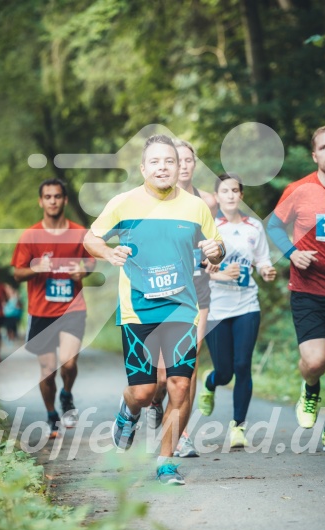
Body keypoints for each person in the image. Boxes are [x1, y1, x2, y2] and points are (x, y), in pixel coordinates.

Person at [84, 134, 224, 485]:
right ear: (143, 168)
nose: (163, 167)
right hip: (138, 310)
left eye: (170, 161)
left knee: (179, 386)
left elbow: (217, 245)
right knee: (145, 392)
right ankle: (127, 411)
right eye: (156, 162)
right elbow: (91, 237)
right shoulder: (123, 203)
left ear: (180, 168)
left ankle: (166, 463)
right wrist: (107, 252)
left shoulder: (196, 207)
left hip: (181, 308)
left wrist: (215, 251)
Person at [267, 125, 325, 453]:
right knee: (317, 361)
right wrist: (292, 253)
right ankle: (310, 386)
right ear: (315, 155)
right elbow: (274, 226)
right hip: (308, 290)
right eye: (324, 147)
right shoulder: (298, 190)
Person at [147, 139, 218, 458]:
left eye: (190, 160)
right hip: (163, 293)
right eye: (180, 159)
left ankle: (181, 434)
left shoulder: (208, 202)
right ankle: (154, 404)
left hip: (197, 292)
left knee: (189, 363)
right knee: (161, 374)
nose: (185, 165)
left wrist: (214, 256)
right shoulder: (155, 202)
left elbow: (215, 242)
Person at [12, 178, 95, 438]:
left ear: (65, 200)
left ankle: (67, 395)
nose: (52, 201)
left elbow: (90, 263)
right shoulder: (31, 235)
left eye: (57, 196)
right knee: (47, 372)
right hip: (41, 312)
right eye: (47, 197)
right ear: (41, 201)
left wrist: (82, 270)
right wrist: (36, 268)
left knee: (68, 365)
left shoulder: (79, 232)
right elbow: (17, 272)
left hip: (72, 309)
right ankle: (51, 415)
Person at [198, 173, 276, 447]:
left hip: (246, 305)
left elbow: (262, 259)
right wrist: (220, 274)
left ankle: (238, 427)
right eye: (225, 191)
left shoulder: (253, 226)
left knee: (243, 365)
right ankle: (210, 382)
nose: (230, 195)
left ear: (241, 195)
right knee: (225, 372)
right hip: (216, 308)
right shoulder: (209, 227)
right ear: (217, 196)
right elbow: (198, 269)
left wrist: (266, 270)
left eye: (235, 190)